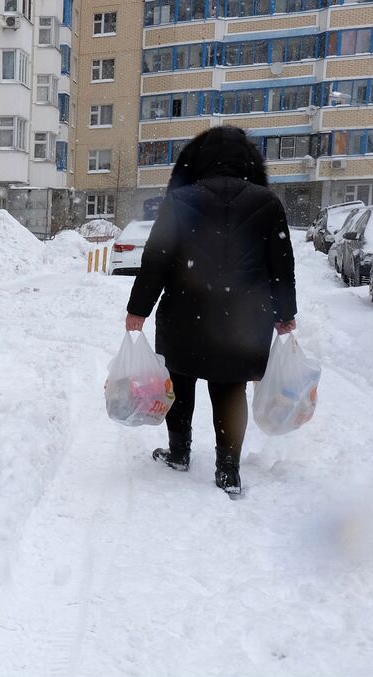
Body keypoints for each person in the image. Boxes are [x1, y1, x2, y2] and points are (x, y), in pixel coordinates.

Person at [124, 126, 297, 499]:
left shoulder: (181, 200)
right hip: (242, 320)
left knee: (180, 383)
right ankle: (228, 470)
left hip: (186, 311)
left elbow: (156, 260)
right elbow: (282, 265)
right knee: (230, 390)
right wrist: (285, 313)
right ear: (246, 164)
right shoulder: (267, 203)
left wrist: (138, 309)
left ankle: (179, 452)